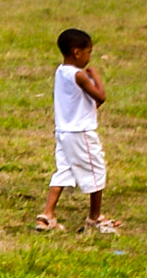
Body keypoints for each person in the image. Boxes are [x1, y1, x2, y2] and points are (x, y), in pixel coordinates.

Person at [36, 29, 115, 234]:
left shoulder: (60, 71)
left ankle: (47, 215)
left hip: (64, 131)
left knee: (65, 170)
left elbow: (84, 104)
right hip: (81, 133)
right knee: (96, 171)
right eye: (89, 52)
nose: (90, 58)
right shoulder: (79, 75)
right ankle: (95, 217)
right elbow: (101, 97)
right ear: (77, 52)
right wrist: (95, 76)